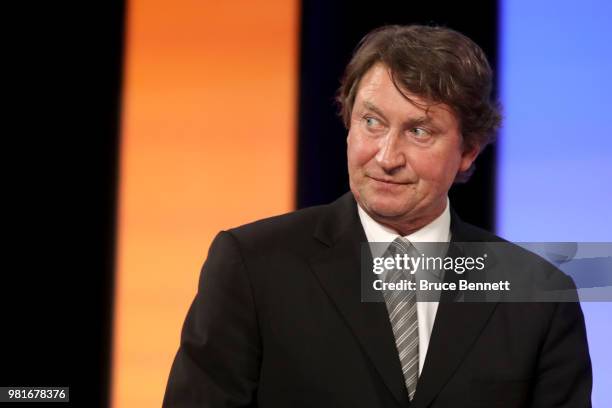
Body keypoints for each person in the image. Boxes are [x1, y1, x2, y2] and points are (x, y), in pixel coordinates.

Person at [163, 25, 592, 407]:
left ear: (467, 152)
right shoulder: (252, 266)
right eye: (372, 122)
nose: (386, 157)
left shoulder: (538, 294)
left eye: (419, 131)